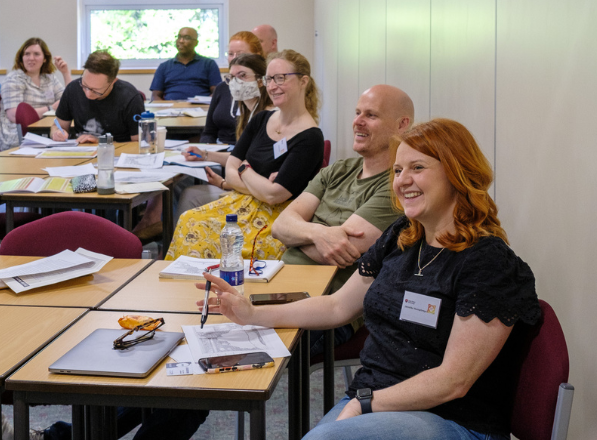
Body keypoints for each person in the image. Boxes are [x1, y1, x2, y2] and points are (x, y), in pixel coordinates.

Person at [199, 118, 541, 440]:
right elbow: (336, 307)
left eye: (418, 168)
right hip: (375, 397)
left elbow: (452, 381)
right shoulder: (403, 238)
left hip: (452, 418)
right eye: (397, 170)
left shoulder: (489, 263)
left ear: (458, 174)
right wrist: (254, 315)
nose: (402, 181)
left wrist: (365, 404)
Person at [271, 84, 412, 356]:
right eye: (357, 112)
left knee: (248, 355)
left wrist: (298, 235)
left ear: (401, 124)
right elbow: (280, 225)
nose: (357, 121)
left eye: (371, 115)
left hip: (330, 308)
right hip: (281, 285)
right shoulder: (339, 169)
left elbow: (337, 251)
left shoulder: (397, 186)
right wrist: (320, 234)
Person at [166, 50, 324, 261]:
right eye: (269, 79)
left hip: (276, 217)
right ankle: (187, 291)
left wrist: (244, 169)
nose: (273, 86)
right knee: (189, 220)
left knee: (202, 231)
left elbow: (274, 195)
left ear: (303, 81)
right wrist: (257, 182)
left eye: (281, 78)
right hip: (240, 203)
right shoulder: (262, 120)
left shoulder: (310, 137)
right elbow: (232, 175)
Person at [170, 52, 275, 230]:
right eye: (231, 77)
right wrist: (204, 154)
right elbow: (240, 157)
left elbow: (249, 165)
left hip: (255, 194)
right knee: (187, 192)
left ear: (260, 80)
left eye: (242, 76)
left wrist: (224, 183)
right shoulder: (249, 114)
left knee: (189, 197)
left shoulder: (268, 115)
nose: (235, 83)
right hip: (245, 186)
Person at [51, 50, 144, 144]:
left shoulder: (130, 97)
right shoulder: (72, 89)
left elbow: (138, 142)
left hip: (116, 153)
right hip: (81, 152)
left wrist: (102, 142)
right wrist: (57, 133)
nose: (88, 94)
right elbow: (57, 126)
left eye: (96, 91)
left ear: (113, 81)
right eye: (84, 85)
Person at [0, 37, 72, 149]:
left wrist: (65, 73)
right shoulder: (13, 79)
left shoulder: (48, 78)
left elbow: (69, 101)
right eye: (27, 54)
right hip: (19, 136)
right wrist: (50, 108)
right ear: (21, 57)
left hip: (45, 130)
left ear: (45, 58)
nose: (31, 58)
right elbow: (14, 115)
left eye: (36, 54)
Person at [149, 27, 222, 101]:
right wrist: (163, 109)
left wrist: (206, 106)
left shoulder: (209, 64)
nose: (181, 41)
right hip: (170, 108)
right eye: (179, 37)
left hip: (200, 108)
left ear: (196, 43)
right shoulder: (164, 67)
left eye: (186, 38)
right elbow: (155, 96)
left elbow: (217, 93)